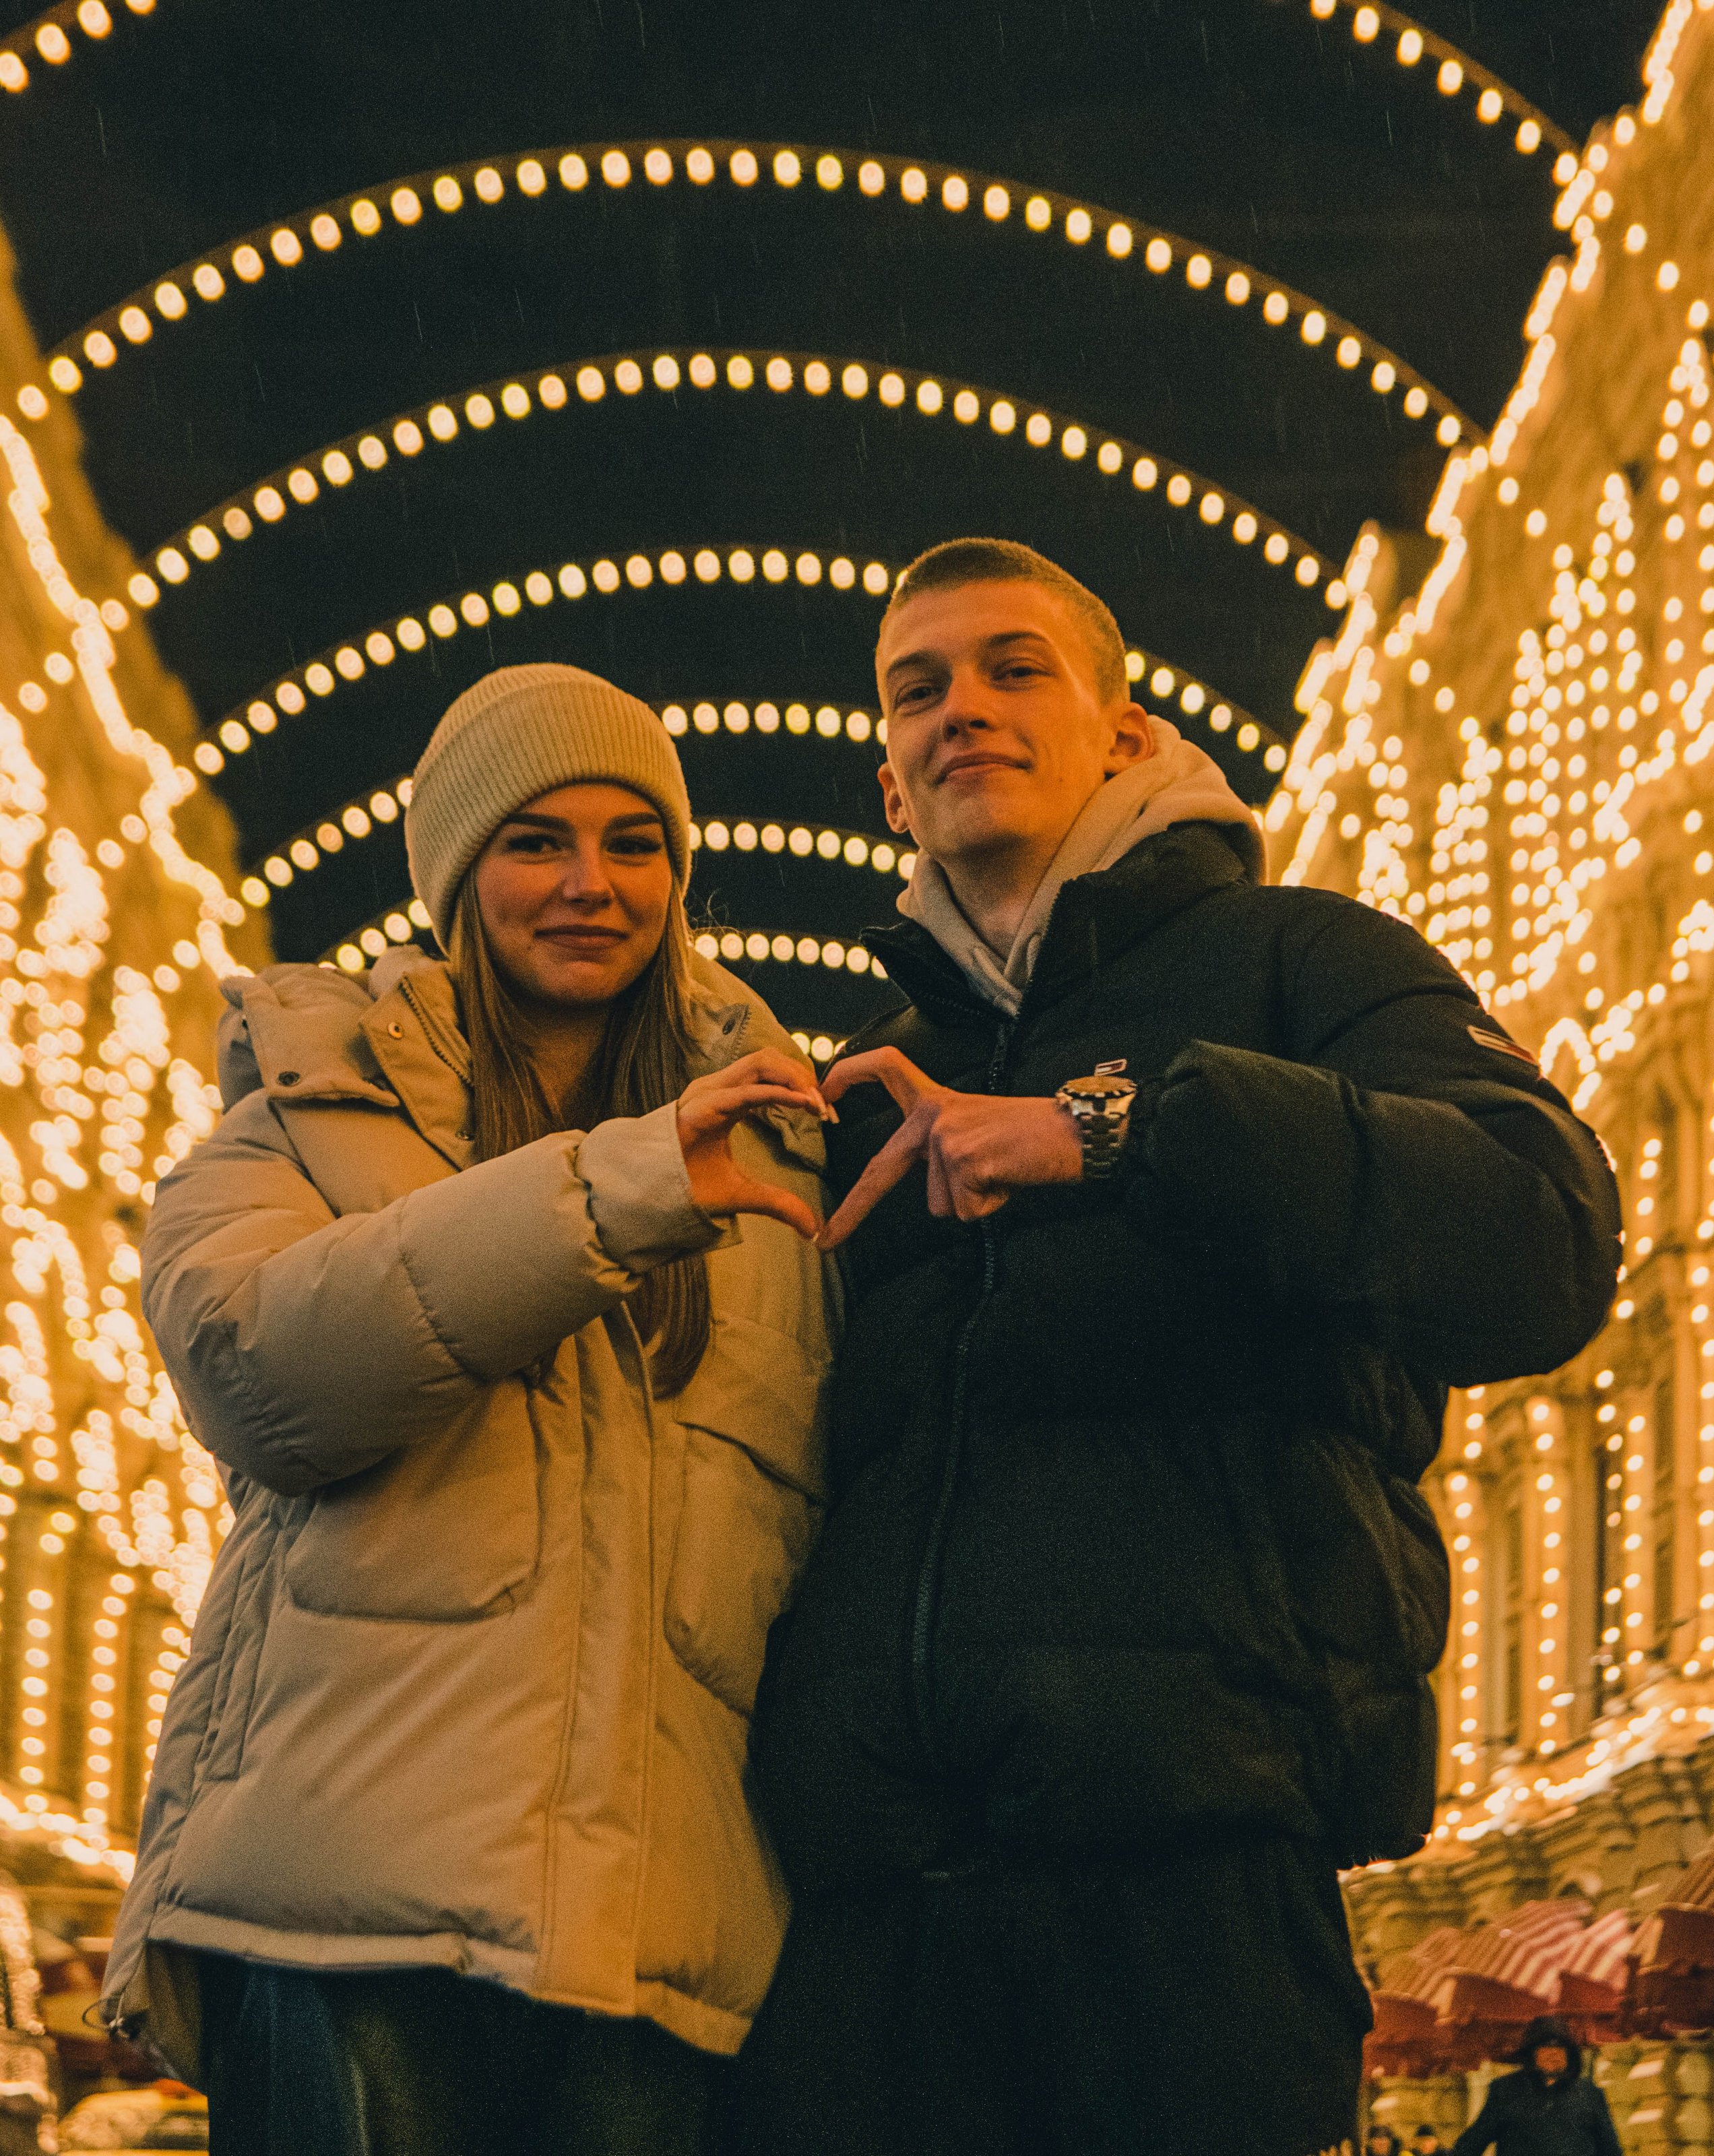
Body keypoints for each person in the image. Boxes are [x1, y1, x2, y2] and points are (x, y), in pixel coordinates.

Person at [740, 540, 1622, 2155]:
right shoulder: (861, 1077)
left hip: (1182, 1894)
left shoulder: (1300, 960)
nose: (961, 709)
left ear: (1127, 732)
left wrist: (1122, 1127)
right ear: (886, 785)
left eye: (1013, 668)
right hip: (875, 1917)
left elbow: (1539, 1231)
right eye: (917, 689)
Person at [98, 664, 837, 2155]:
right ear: (453, 876)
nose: (589, 884)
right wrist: (616, 1189)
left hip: (650, 1959)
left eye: (634, 843)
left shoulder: (776, 1171)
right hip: (351, 1929)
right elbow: (257, 1374)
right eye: (533, 841)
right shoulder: (308, 1109)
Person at [1449, 2017, 1621, 2156]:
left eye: (1560, 2048)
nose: (1553, 2053)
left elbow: (1610, 2150)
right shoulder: (1506, 2091)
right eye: (1545, 2047)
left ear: (1570, 2055)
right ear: (1532, 2053)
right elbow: (1472, 2144)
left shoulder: (1589, 2095)